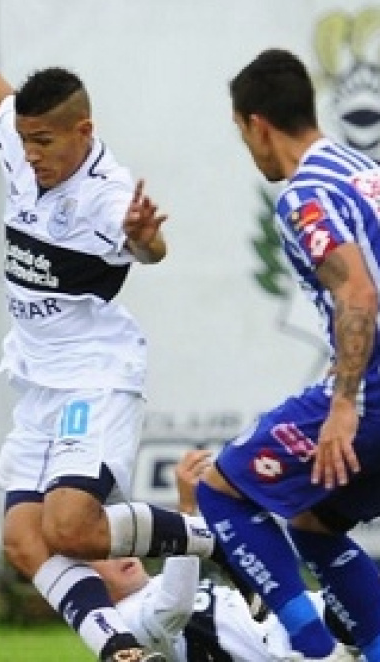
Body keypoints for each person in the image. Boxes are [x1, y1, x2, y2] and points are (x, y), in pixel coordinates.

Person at [0, 14, 223, 662]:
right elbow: (1, 105)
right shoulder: (28, 151)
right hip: (37, 382)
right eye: (26, 141)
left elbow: (149, 248)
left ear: (84, 132)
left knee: (72, 529)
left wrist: (144, 237)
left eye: (44, 141)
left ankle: (217, 536)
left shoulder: (106, 196)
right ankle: (118, 648)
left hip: (92, 377)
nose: (31, 154)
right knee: (24, 540)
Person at [194, 48, 380, 662]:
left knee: (221, 489)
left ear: (257, 125)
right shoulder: (364, 171)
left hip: (375, 391)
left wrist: (344, 404)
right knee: (315, 523)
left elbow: (358, 292)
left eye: (241, 134)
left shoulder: (305, 195)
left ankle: (313, 651)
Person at [97, 449, 361, 662]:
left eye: (121, 545)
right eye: (103, 555)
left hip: (308, 617)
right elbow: (174, 606)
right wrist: (185, 511)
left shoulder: (160, 581)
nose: (121, 555)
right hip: (291, 651)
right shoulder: (122, 623)